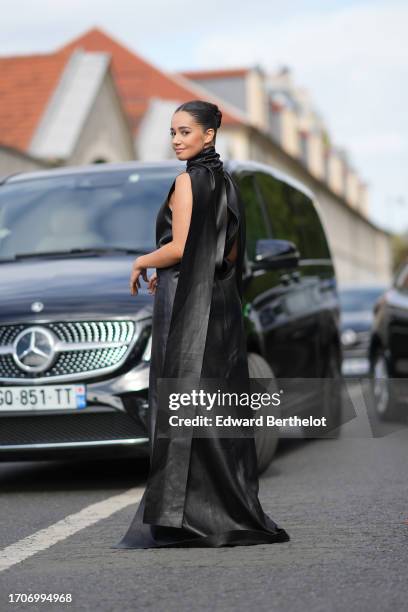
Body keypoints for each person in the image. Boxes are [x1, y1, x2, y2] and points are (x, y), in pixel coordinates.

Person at [111, 100, 290, 548]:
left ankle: (181, 517)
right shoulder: (227, 182)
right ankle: (227, 509)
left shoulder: (188, 181)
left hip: (188, 304)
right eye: (172, 132)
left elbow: (181, 248)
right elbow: (228, 254)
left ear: (208, 134)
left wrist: (142, 261)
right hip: (221, 305)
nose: (176, 140)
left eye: (185, 132)